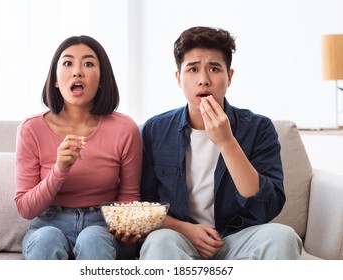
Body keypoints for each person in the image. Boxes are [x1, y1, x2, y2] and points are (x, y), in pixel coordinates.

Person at [139, 26, 302, 260]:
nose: (204, 80)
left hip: (238, 237)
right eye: (193, 69)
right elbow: (145, 205)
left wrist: (227, 142)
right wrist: (186, 230)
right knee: (159, 240)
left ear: (229, 77)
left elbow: (267, 207)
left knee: (283, 236)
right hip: (180, 238)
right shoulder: (155, 130)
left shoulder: (259, 128)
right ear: (179, 78)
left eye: (214, 69)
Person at [15, 35, 142, 260]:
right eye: (68, 63)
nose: (77, 71)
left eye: (88, 63)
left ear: (102, 79)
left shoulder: (125, 128)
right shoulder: (31, 129)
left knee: (93, 238)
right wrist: (60, 169)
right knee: (46, 240)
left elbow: (128, 196)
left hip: (102, 225)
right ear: (55, 80)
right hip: (49, 222)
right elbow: (26, 208)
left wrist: (127, 227)